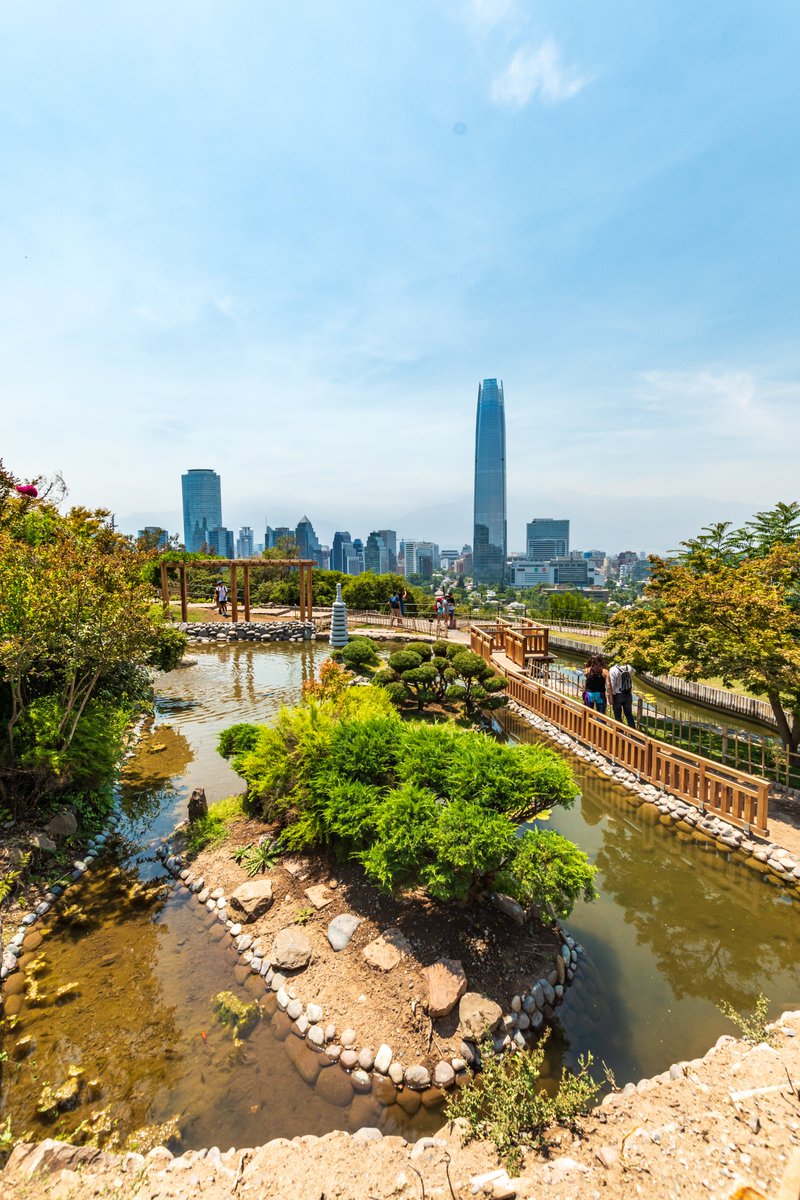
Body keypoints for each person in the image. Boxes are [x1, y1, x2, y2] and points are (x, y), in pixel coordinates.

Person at [609, 662, 636, 727]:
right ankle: (633, 734)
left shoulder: (613, 669)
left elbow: (612, 685)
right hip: (628, 694)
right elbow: (634, 672)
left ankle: (620, 732)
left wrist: (611, 696)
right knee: (629, 714)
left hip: (618, 695)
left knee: (618, 715)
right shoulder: (629, 667)